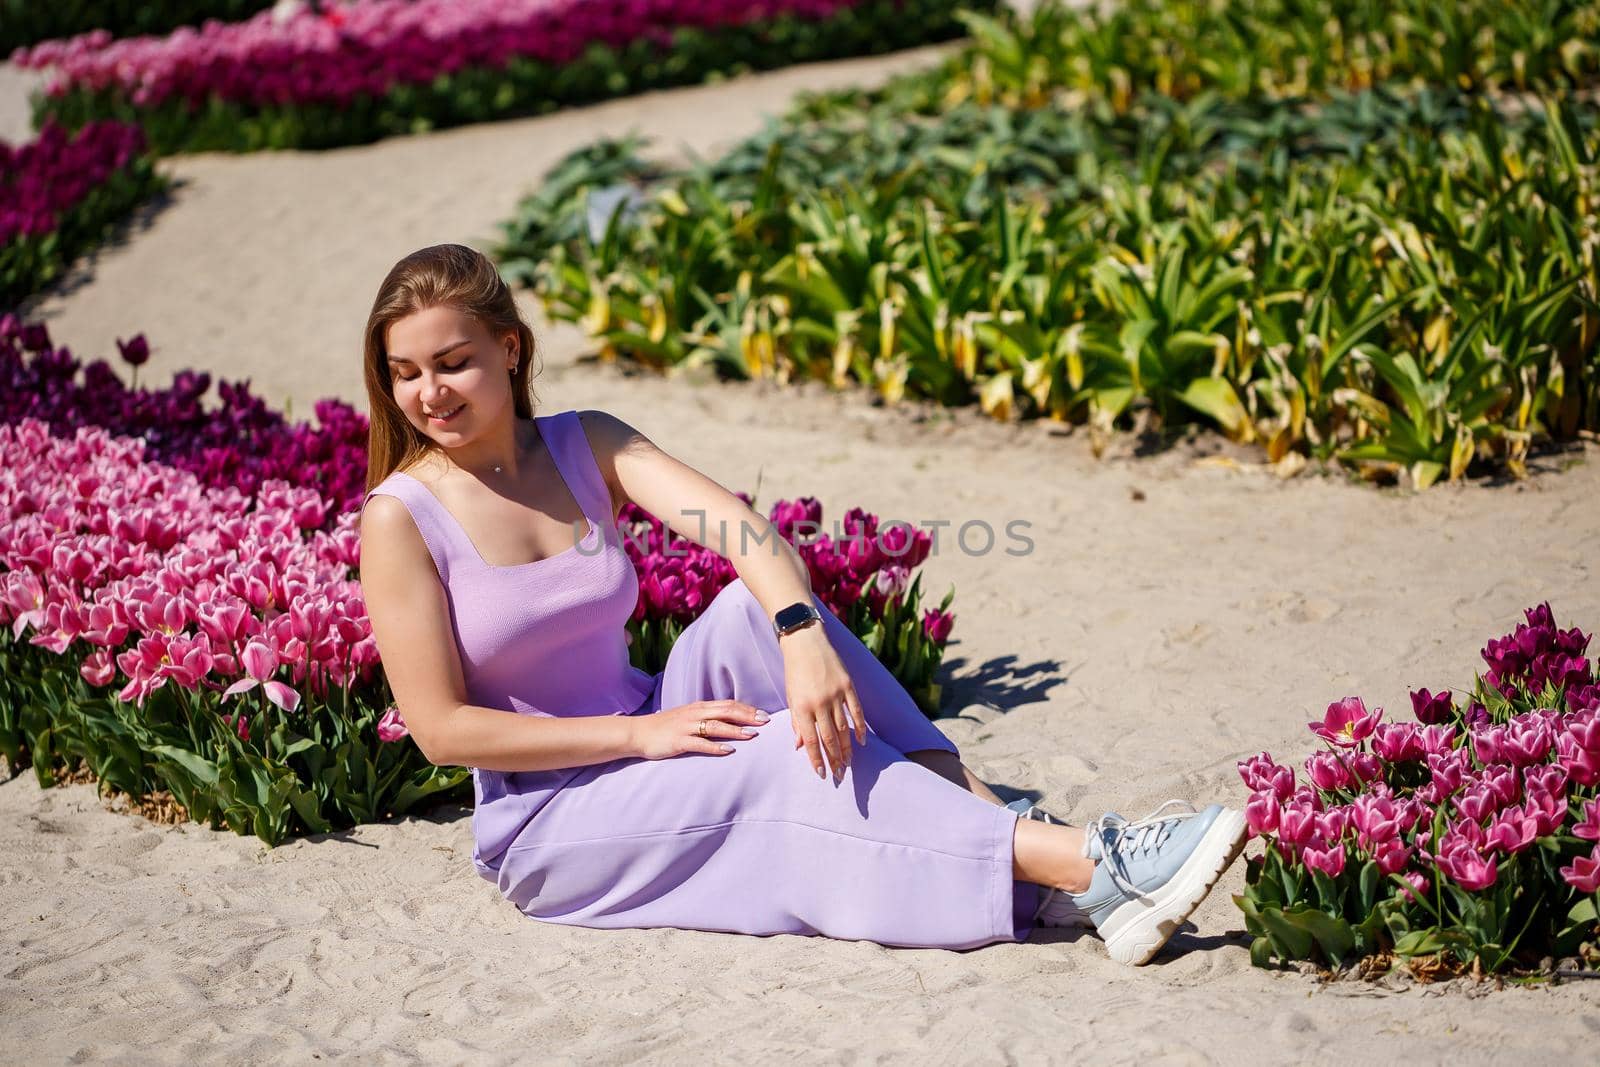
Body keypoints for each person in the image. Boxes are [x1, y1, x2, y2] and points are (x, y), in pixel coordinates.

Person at [356, 243, 1247, 964]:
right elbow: (442, 730)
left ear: (508, 350)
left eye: (453, 362)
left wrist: (800, 632)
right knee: (786, 752)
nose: (429, 393)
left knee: (756, 617)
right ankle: (1088, 862)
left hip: (645, 726)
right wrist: (639, 736)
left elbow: (741, 529)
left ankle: (1024, 852)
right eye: (405, 373)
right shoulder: (401, 519)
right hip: (552, 818)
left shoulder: (583, 441)